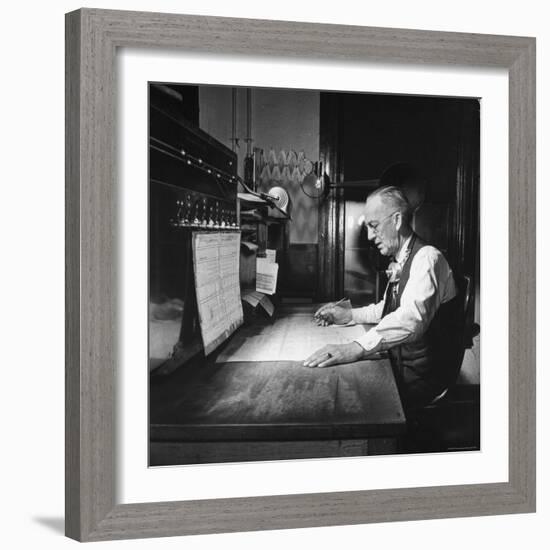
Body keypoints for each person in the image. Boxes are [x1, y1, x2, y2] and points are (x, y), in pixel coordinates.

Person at [303, 186, 459, 412]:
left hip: (422, 380)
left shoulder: (427, 258)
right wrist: (349, 315)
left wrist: (356, 347)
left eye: (374, 226)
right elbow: (386, 309)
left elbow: (410, 320)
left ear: (396, 220)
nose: (369, 236)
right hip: (401, 367)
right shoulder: (402, 258)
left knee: (347, 402)